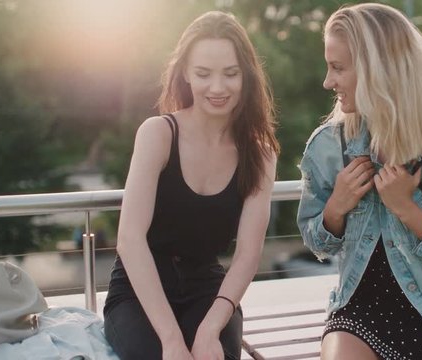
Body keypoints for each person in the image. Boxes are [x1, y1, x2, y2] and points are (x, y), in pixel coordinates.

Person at [296, 4, 422, 359]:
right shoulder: (328, 145)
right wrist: (335, 208)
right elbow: (318, 244)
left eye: (338, 68)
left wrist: (407, 209)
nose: (328, 82)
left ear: (379, 70)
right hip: (356, 311)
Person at [103, 11, 278, 360]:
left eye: (230, 74)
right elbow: (130, 239)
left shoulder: (260, 153)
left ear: (246, 76)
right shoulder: (158, 134)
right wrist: (170, 340)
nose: (217, 87)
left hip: (208, 292)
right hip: (140, 291)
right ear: (185, 73)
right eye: (203, 74)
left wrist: (212, 327)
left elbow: (247, 254)